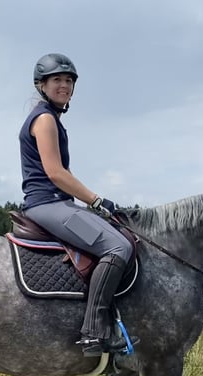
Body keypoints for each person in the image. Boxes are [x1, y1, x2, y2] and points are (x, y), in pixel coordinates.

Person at [19, 53, 137, 355]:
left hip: (56, 202)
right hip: (47, 203)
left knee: (119, 235)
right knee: (118, 247)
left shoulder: (51, 119)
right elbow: (56, 173)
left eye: (69, 80)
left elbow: (63, 173)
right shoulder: (44, 119)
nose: (65, 85)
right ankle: (93, 331)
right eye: (57, 79)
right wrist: (97, 201)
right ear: (41, 85)